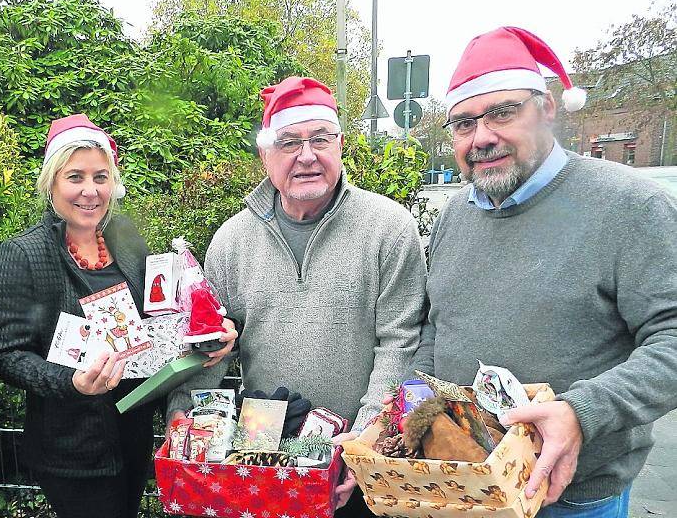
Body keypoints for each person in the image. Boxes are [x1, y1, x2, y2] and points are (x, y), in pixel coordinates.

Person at [413, 26, 677, 518]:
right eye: (464, 123)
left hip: (570, 496)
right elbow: (437, 325)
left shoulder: (630, 205)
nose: (482, 137)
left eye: (502, 112)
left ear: (547, 108)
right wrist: (413, 404)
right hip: (461, 484)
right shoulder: (454, 216)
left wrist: (583, 412)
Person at [167, 76, 427, 516]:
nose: (307, 156)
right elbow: (210, 348)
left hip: (360, 463)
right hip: (263, 458)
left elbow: (400, 343)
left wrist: (364, 442)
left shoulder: (388, 228)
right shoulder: (232, 241)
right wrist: (185, 420)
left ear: (340, 145)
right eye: (289, 143)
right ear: (265, 155)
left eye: (320, 139)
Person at [0, 114, 235, 518]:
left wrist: (206, 334)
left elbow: (158, 318)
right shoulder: (24, 254)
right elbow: (6, 355)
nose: (90, 191)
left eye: (100, 177)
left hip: (132, 433)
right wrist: (71, 382)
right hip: (72, 450)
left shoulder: (125, 238)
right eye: (75, 177)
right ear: (52, 182)